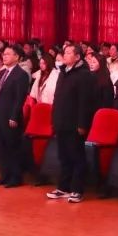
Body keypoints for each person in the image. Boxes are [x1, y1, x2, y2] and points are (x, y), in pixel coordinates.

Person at [47, 44, 95, 203]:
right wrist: (54, 119)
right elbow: (57, 98)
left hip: (75, 124)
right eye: (64, 52)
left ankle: (77, 189)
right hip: (61, 121)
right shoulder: (63, 72)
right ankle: (63, 187)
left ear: (77, 57)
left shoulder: (84, 75)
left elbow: (85, 102)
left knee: (77, 156)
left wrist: (82, 124)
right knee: (63, 156)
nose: (65, 55)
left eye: (69, 53)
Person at [0, 45, 31, 188]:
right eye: (4, 54)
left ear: (17, 57)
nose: (4, 56)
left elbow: (19, 98)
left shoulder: (21, 74)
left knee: (12, 147)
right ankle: (5, 175)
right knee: (2, 146)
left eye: (8, 54)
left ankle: (15, 177)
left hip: (11, 116)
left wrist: (14, 116)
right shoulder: (2, 72)